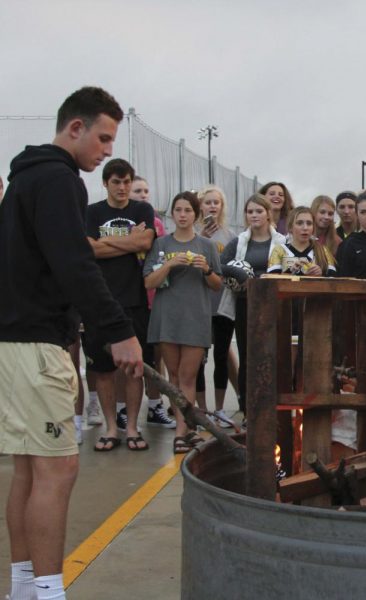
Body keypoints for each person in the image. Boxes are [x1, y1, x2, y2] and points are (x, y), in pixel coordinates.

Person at [1, 86, 143, 600]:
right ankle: (47, 590)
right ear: (75, 128)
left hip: (13, 340)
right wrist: (120, 331)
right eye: (102, 138)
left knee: (29, 467)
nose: (107, 150)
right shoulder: (60, 181)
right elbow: (75, 264)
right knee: (58, 467)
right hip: (36, 342)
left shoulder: (23, 180)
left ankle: (23, 586)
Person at [83, 158, 156, 452]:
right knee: (102, 369)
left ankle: (132, 427)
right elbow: (89, 249)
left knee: (135, 368)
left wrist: (107, 242)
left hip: (133, 300)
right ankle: (111, 426)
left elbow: (146, 243)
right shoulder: (92, 211)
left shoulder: (143, 209)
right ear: (105, 183)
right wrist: (130, 238)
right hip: (100, 300)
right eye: (116, 182)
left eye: (127, 181)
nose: (123, 187)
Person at [144, 191, 222, 453]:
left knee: (188, 376)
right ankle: (184, 428)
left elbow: (217, 285)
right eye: (178, 210)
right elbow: (149, 282)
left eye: (188, 210)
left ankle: (184, 429)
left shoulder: (207, 246)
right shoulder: (161, 244)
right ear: (172, 214)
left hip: (195, 317)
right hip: (167, 316)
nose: (183, 215)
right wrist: (168, 265)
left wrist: (206, 269)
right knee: (174, 375)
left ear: (196, 215)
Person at [220, 194, 286, 417]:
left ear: (268, 213)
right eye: (250, 212)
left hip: (274, 307)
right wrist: (239, 274)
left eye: (259, 211)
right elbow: (219, 266)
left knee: (273, 355)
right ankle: (248, 409)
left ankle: (274, 407)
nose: (254, 215)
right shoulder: (238, 242)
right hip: (245, 306)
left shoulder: (282, 242)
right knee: (248, 357)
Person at [130, 175, 176, 429]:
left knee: (154, 357)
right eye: (138, 190)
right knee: (128, 359)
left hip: (152, 299)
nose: (143, 194)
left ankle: (155, 405)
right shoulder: (121, 222)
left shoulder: (156, 224)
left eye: (146, 190)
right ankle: (124, 409)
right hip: (127, 298)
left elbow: (158, 256)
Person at [197, 185, 239, 428]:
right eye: (208, 202)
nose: (212, 206)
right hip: (200, 305)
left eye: (216, 202)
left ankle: (221, 409)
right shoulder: (192, 232)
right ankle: (202, 410)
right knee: (199, 359)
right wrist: (200, 235)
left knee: (221, 357)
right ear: (200, 206)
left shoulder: (230, 237)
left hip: (222, 305)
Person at [268, 206, 337, 277]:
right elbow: (271, 281)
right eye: (299, 223)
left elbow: (334, 282)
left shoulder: (323, 251)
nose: (305, 228)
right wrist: (290, 274)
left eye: (309, 223)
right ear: (290, 227)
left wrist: (320, 274)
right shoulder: (279, 250)